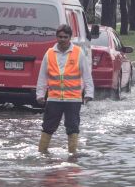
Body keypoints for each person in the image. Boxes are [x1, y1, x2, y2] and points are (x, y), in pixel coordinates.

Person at [36, 24, 94, 154]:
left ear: (70, 38)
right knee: (47, 127)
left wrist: (89, 93)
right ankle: (42, 152)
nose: (62, 39)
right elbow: (42, 76)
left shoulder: (78, 53)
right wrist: (40, 94)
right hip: (54, 98)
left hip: (73, 99)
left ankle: (72, 155)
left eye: (65, 37)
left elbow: (86, 75)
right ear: (56, 37)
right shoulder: (49, 53)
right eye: (60, 37)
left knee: (73, 128)